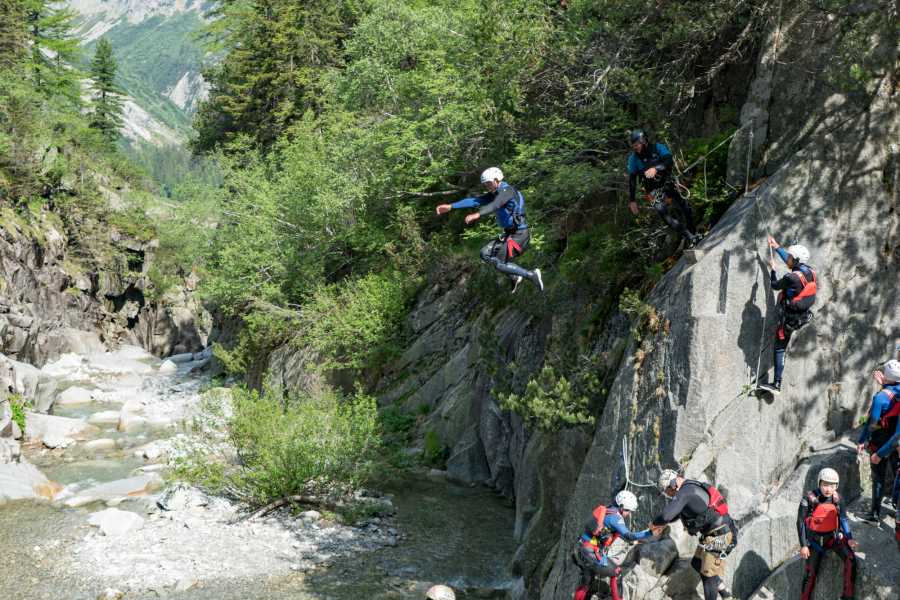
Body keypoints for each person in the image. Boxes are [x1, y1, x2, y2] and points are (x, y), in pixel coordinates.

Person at [436, 167, 543, 293]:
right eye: (485, 184)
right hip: (509, 234)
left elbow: (496, 204)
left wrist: (478, 214)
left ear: (497, 180)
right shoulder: (494, 193)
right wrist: (451, 206)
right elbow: (474, 201)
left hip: (519, 235)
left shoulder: (507, 191)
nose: (486, 186)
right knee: (485, 254)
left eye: (488, 183)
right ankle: (514, 275)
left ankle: (531, 275)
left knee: (501, 264)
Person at [650, 470, 737, 600]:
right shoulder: (689, 488)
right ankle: (725, 593)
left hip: (721, 535)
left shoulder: (686, 491)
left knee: (708, 576)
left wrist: (654, 523)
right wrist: (662, 524)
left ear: (673, 484)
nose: (669, 496)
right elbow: (676, 514)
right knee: (697, 563)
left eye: (668, 492)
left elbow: (666, 515)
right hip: (713, 534)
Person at [756, 235, 817, 395]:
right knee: (782, 344)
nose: (787, 258)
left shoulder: (791, 278)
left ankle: (776, 383)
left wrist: (773, 270)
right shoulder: (810, 272)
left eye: (790, 257)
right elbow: (792, 263)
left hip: (789, 319)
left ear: (796, 260)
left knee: (779, 347)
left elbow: (775, 285)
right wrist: (777, 247)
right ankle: (776, 381)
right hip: (802, 315)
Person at [573, 490, 653, 600]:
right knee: (616, 572)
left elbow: (613, 533)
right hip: (591, 552)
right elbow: (628, 535)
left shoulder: (609, 509)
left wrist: (634, 542)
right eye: (628, 511)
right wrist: (650, 532)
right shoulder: (615, 518)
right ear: (621, 507)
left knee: (586, 581)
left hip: (583, 547)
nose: (628, 514)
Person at [626, 129, 700, 246]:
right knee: (665, 215)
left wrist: (656, 168)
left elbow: (668, 160)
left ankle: (693, 233)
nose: (635, 148)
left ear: (644, 141)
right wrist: (632, 200)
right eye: (633, 146)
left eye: (637, 145)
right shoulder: (633, 159)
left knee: (685, 208)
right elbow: (632, 180)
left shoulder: (657, 148)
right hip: (653, 191)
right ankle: (689, 237)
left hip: (667, 183)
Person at [796, 467, 858, 600]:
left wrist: (849, 538)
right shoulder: (809, 499)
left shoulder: (838, 499)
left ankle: (847, 596)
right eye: (825, 484)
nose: (828, 489)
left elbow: (843, 519)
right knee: (810, 574)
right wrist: (803, 545)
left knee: (851, 559)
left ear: (836, 486)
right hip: (814, 542)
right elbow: (800, 522)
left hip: (832, 538)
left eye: (832, 485)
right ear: (819, 483)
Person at [857, 359, 900, 523]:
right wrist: (886, 384)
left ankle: (874, 515)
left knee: (879, 478)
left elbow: (872, 423)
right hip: (896, 444)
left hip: (880, 442)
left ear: (886, 376)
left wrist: (862, 440)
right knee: (897, 473)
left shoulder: (881, 398)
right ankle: (896, 505)